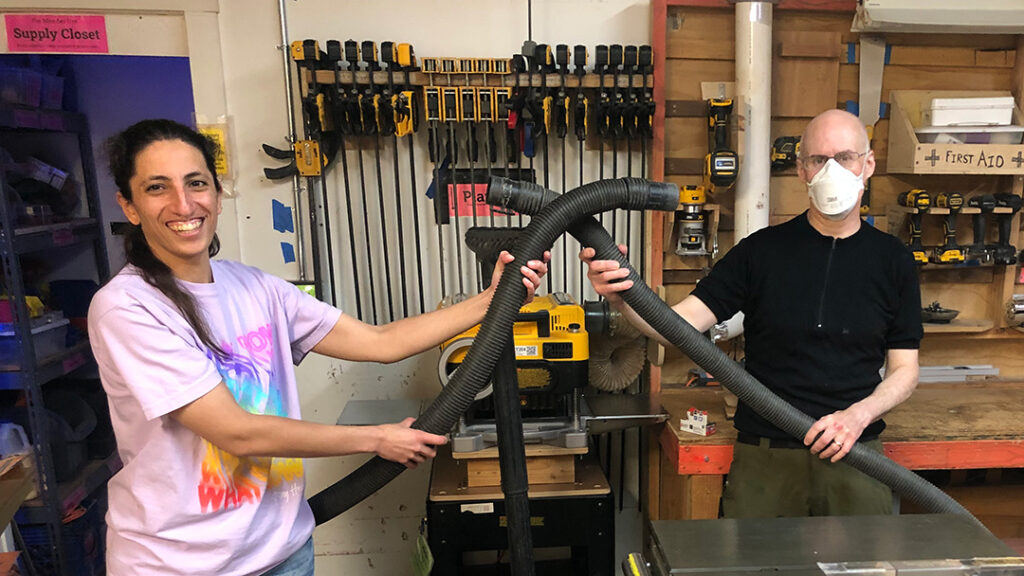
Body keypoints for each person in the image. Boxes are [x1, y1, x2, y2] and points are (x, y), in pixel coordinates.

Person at [87, 119, 549, 575]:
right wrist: (378, 439)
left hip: (282, 553)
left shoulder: (254, 288)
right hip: (178, 564)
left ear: (217, 194)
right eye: (157, 188)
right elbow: (236, 432)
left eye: (196, 183)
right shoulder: (127, 308)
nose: (183, 203)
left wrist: (493, 300)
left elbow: (380, 342)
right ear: (128, 206)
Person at [581, 109, 922, 518]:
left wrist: (856, 416)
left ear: (867, 165)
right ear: (801, 170)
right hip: (766, 458)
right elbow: (677, 328)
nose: (832, 170)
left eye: (845, 157)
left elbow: (905, 370)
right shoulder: (761, 252)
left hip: (856, 454)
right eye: (818, 159)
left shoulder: (894, 261)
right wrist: (623, 298)